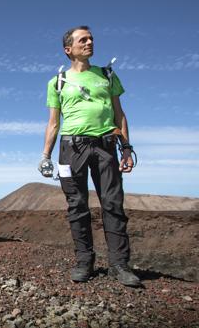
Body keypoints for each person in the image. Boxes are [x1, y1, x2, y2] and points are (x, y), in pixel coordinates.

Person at [39, 26, 141, 287]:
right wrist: (45, 156)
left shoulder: (106, 75)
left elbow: (120, 114)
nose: (90, 42)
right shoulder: (57, 82)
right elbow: (53, 123)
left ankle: (119, 264)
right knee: (77, 205)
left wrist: (126, 147)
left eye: (91, 38)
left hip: (106, 145)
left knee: (113, 204)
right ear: (68, 49)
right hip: (70, 148)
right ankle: (85, 262)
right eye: (83, 39)